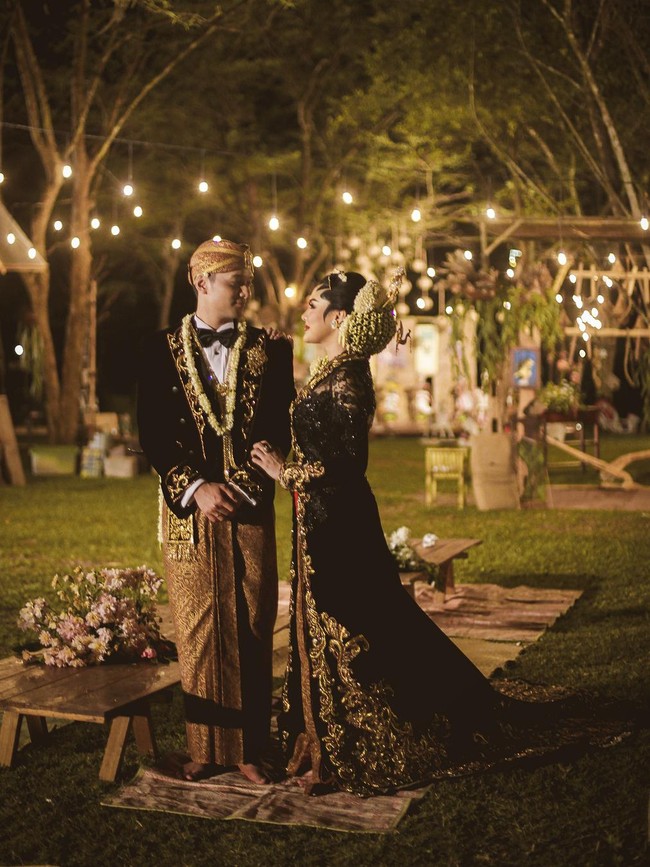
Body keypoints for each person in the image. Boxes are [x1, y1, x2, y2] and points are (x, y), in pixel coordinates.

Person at [251, 269, 633, 797]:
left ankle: (345, 745)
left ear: (338, 317)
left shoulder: (349, 377)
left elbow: (344, 461)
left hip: (339, 519)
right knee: (319, 620)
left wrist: (283, 473)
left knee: (351, 622)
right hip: (317, 519)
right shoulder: (330, 370)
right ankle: (316, 741)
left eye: (313, 305)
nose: (305, 312)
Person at [137, 238, 294, 784]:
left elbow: (279, 427)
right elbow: (153, 432)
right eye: (236, 283)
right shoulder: (159, 349)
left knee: (253, 621)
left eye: (248, 282)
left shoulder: (273, 349)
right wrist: (196, 487)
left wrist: (243, 488)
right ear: (201, 283)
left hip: (249, 508)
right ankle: (204, 748)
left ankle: (250, 750)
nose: (246, 292)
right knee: (197, 627)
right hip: (189, 510)